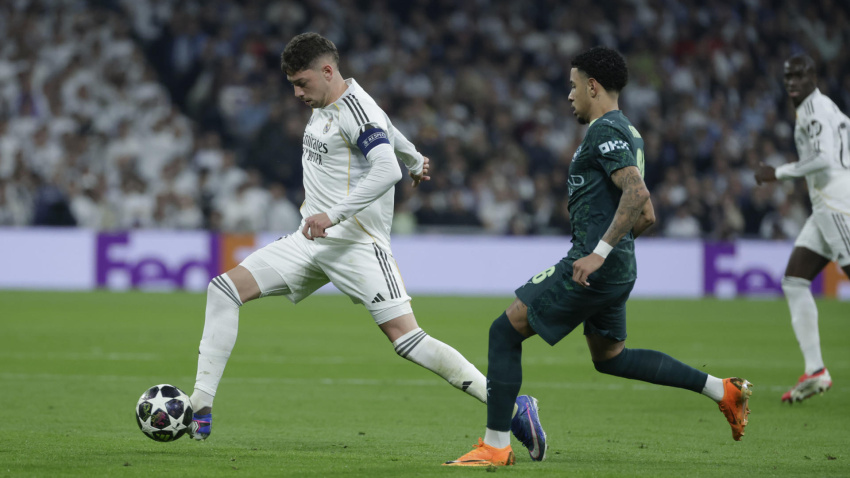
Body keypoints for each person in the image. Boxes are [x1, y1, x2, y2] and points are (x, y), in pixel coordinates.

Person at [185, 32, 545, 457]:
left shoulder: (355, 109)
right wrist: (414, 157)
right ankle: (201, 404)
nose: (298, 93)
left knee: (407, 341)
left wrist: (339, 210)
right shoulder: (331, 104)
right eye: (293, 86)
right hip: (310, 241)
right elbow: (389, 133)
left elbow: (384, 169)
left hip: (357, 245)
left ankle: (510, 404)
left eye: (303, 83)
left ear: (327, 71)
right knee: (223, 289)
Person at [445, 46, 753, 467]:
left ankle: (496, 446)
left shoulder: (604, 130)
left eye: (573, 86)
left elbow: (638, 194)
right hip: (615, 269)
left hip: (593, 267)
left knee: (504, 332)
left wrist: (599, 253)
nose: (569, 95)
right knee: (611, 358)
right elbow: (646, 215)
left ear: (592, 86)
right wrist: (617, 253)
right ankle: (723, 390)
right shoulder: (631, 132)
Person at [754, 54, 849, 403]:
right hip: (825, 207)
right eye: (787, 75)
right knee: (794, 281)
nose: (792, 81)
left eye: (799, 75)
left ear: (814, 76)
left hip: (838, 205)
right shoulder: (828, 108)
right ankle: (816, 370)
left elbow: (824, 158)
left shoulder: (814, 111)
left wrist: (777, 173)